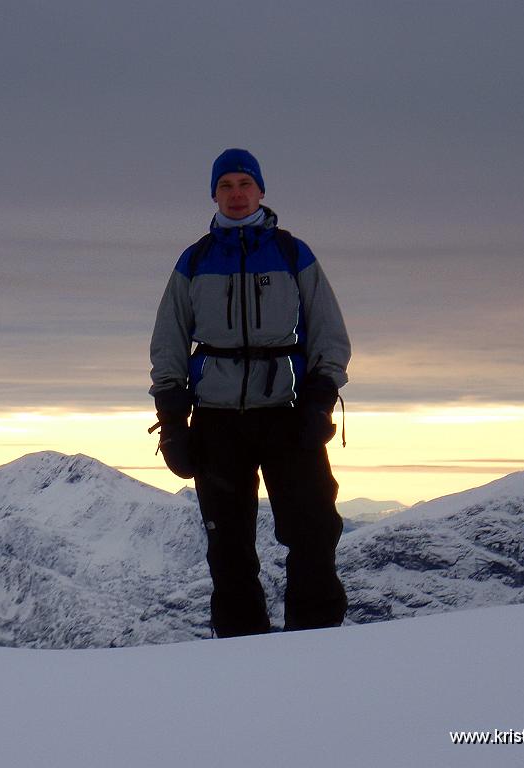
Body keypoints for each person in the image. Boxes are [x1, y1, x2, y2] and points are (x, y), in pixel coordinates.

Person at [149, 148, 351, 637]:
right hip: (217, 422)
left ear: (261, 191)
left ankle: (318, 640)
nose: (236, 194)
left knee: (313, 532)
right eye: (226, 186)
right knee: (229, 546)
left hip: (287, 414)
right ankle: (242, 654)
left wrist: (319, 399)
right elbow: (169, 340)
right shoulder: (194, 261)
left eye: (244, 184)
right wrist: (173, 422)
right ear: (214, 194)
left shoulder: (291, 253)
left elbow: (328, 330)